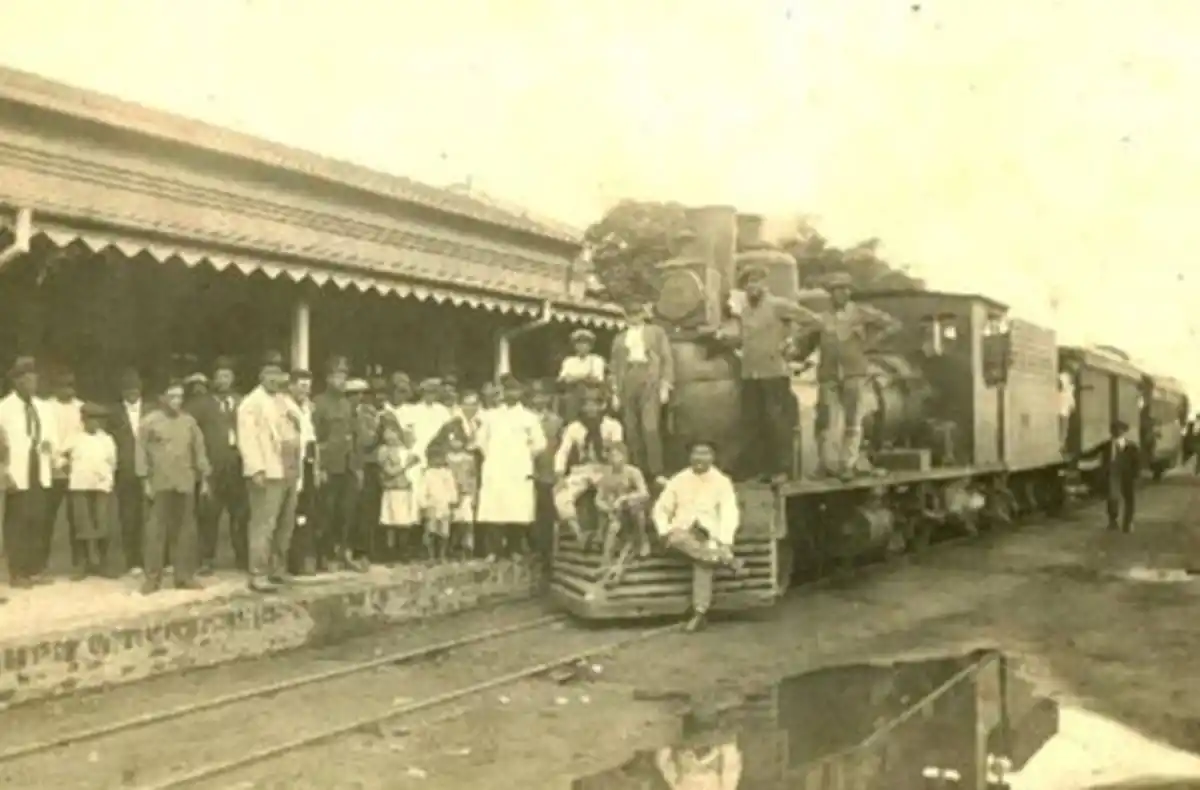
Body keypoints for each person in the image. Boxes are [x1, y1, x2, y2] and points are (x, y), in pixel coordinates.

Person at [799, 271, 902, 481]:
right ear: (831, 294)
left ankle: (848, 464)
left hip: (854, 373)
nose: (842, 293)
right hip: (828, 374)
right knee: (826, 421)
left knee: (853, 421)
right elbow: (809, 342)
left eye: (845, 289)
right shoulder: (822, 319)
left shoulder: (861, 313)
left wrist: (869, 342)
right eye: (837, 290)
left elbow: (892, 325)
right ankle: (826, 464)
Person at [733, 266, 821, 485]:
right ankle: (761, 470)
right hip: (750, 374)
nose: (753, 286)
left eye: (757, 281)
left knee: (778, 421)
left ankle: (782, 469)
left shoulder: (778, 305)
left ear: (765, 284)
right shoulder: (744, 311)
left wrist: (793, 344)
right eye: (748, 283)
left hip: (774, 373)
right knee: (753, 423)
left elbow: (814, 321)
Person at [652, 439, 744, 632]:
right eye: (696, 453)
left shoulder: (722, 481)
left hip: (707, 536)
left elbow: (729, 512)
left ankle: (699, 612)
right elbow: (661, 508)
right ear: (689, 456)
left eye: (705, 453)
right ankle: (727, 560)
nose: (700, 458)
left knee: (704, 561)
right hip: (680, 534)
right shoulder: (679, 479)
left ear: (713, 457)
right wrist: (664, 529)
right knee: (680, 538)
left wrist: (725, 541)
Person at [137, 380, 209, 594]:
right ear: (162, 398)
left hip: (184, 483)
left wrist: (204, 478)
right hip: (159, 484)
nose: (176, 401)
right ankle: (152, 578)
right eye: (172, 396)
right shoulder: (149, 422)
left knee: (186, 532)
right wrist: (144, 481)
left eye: (179, 397)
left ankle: (184, 576)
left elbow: (199, 451)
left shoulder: (189, 422)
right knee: (155, 532)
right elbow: (141, 453)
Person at [237, 351, 300, 592]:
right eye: (270, 374)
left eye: (279, 374)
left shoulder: (284, 400)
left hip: (289, 468)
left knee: (286, 522)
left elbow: (297, 427)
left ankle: (278, 568)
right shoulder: (250, 404)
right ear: (261, 376)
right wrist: (256, 469)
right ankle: (258, 572)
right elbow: (247, 439)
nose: (275, 379)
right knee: (264, 523)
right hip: (267, 469)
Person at [0, 358, 58, 587]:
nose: (31, 383)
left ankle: (34, 569)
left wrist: (48, 445)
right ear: (16, 382)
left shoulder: (43, 407)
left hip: (39, 468)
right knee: (17, 521)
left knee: (38, 519)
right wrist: (3, 471)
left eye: (33, 378)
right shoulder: (4, 408)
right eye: (25, 379)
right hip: (16, 470)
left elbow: (52, 436)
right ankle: (17, 572)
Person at [188, 356, 249, 574]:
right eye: (219, 376)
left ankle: (242, 557)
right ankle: (207, 559)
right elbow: (192, 435)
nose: (223, 380)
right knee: (209, 514)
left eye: (227, 376)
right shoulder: (202, 405)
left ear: (233, 379)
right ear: (213, 379)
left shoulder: (243, 402)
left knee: (241, 514)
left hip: (238, 466)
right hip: (213, 467)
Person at [475, 375, 547, 559]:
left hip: (518, 467)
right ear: (502, 392)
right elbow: (481, 442)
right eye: (507, 390)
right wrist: (494, 457)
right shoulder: (491, 416)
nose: (511, 394)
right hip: (496, 466)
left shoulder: (529, 417)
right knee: (494, 509)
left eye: (515, 390)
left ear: (521, 393)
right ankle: (493, 550)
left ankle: (515, 548)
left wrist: (522, 456)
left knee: (517, 509)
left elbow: (539, 444)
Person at [609, 302, 674, 484]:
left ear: (643, 314)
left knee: (650, 427)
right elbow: (614, 366)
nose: (633, 317)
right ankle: (637, 469)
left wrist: (665, 384)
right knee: (631, 428)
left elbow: (666, 358)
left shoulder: (656, 332)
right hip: (627, 378)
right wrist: (614, 391)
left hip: (649, 377)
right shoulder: (620, 338)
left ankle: (656, 470)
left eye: (636, 313)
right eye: (630, 314)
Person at [552, 394, 624, 543]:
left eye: (594, 405)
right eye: (586, 405)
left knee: (609, 495)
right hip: (582, 469)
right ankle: (579, 534)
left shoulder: (612, 426)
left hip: (605, 468)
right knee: (561, 496)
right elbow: (562, 452)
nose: (590, 409)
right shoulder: (574, 428)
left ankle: (602, 534)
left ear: (601, 406)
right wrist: (559, 476)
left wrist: (612, 459)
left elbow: (618, 451)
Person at [312, 356, 361, 572]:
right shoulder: (319, 404)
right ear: (328, 378)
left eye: (343, 376)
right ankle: (324, 555)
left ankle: (343, 553)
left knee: (346, 512)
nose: (341, 380)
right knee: (326, 513)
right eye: (336, 376)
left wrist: (357, 467)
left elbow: (354, 435)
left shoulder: (347, 404)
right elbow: (314, 439)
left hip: (347, 465)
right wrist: (320, 466)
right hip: (329, 466)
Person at [65, 402, 117, 579]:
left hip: (100, 487)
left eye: (99, 420)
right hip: (80, 486)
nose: (95, 424)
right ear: (84, 420)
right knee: (82, 524)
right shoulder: (74, 438)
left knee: (102, 523)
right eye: (91, 420)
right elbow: (61, 458)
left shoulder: (107, 439)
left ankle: (103, 563)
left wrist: (105, 478)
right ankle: (82, 564)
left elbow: (112, 462)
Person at [593, 440, 651, 584]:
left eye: (618, 455)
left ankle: (642, 540)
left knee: (636, 509)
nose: (614, 459)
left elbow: (644, 493)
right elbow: (598, 499)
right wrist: (607, 508)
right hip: (616, 513)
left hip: (633, 511)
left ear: (624, 456)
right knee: (613, 528)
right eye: (611, 456)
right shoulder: (606, 476)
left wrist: (626, 497)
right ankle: (606, 561)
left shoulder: (633, 472)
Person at [43, 369, 83, 575]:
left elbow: (82, 436)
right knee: (47, 517)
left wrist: (72, 458)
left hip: (76, 467)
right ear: (55, 388)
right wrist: (58, 460)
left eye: (71, 386)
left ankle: (79, 563)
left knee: (77, 516)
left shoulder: (80, 407)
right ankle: (42, 563)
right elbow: (46, 438)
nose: (68, 390)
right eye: (63, 386)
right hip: (53, 468)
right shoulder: (47, 408)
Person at [111, 368, 147, 576]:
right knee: (129, 515)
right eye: (128, 389)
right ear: (122, 391)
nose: (132, 393)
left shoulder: (152, 410)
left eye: (135, 389)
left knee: (154, 515)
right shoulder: (113, 414)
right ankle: (133, 560)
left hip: (150, 471)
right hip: (125, 472)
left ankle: (160, 558)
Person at [286, 369, 318, 575]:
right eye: (301, 385)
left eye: (307, 386)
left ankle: (301, 560)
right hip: (288, 464)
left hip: (306, 463)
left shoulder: (308, 408)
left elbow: (311, 439)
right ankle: (288, 562)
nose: (304, 390)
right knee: (289, 513)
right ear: (291, 385)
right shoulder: (285, 407)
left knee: (305, 513)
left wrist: (315, 467)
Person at [1083, 419, 1140, 533]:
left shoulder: (1132, 447)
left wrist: (1135, 475)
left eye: (1119, 429)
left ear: (1124, 431)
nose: (1116, 432)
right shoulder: (1107, 445)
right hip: (1112, 474)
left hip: (1127, 476)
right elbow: (1092, 453)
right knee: (1112, 498)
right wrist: (1076, 456)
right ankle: (1112, 521)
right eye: (1113, 429)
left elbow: (1137, 462)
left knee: (1129, 500)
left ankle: (1127, 523)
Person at [530, 381, 565, 564]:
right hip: (526, 472)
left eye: (542, 396)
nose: (539, 399)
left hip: (547, 472)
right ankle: (531, 549)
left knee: (546, 512)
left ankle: (546, 552)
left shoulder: (556, 421)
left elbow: (560, 447)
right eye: (536, 396)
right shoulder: (525, 418)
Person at [377, 416, 420, 562]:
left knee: (404, 523)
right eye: (386, 432)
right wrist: (406, 466)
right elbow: (389, 471)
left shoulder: (404, 449)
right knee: (391, 523)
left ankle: (404, 552)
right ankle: (391, 554)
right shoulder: (384, 451)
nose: (389, 435)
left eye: (393, 431)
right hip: (392, 489)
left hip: (405, 489)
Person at [418, 444, 459, 562]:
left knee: (444, 533)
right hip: (431, 505)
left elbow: (452, 488)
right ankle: (430, 555)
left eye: (440, 457)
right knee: (430, 531)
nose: (437, 460)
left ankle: (442, 555)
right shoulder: (428, 473)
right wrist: (423, 504)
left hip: (444, 506)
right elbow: (422, 490)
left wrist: (453, 500)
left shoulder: (447, 473)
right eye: (434, 458)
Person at [444, 426, 478, 559]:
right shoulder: (447, 458)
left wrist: (474, 494)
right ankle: (451, 548)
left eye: (458, 440)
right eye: (452, 440)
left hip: (466, 493)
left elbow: (473, 477)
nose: (455, 443)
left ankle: (467, 548)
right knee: (451, 522)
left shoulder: (469, 458)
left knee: (467, 522)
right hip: (450, 494)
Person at [558, 329, 606, 421]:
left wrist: (574, 378)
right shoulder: (569, 361)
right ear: (574, 346)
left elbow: (597, 380)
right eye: (578, 343)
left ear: (590, 346)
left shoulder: (596, 360)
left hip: (591, 395)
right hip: (572, 395)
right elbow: (562, 380)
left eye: (585, 343)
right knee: (569, 403)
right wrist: (583, 376)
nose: (581, 346)